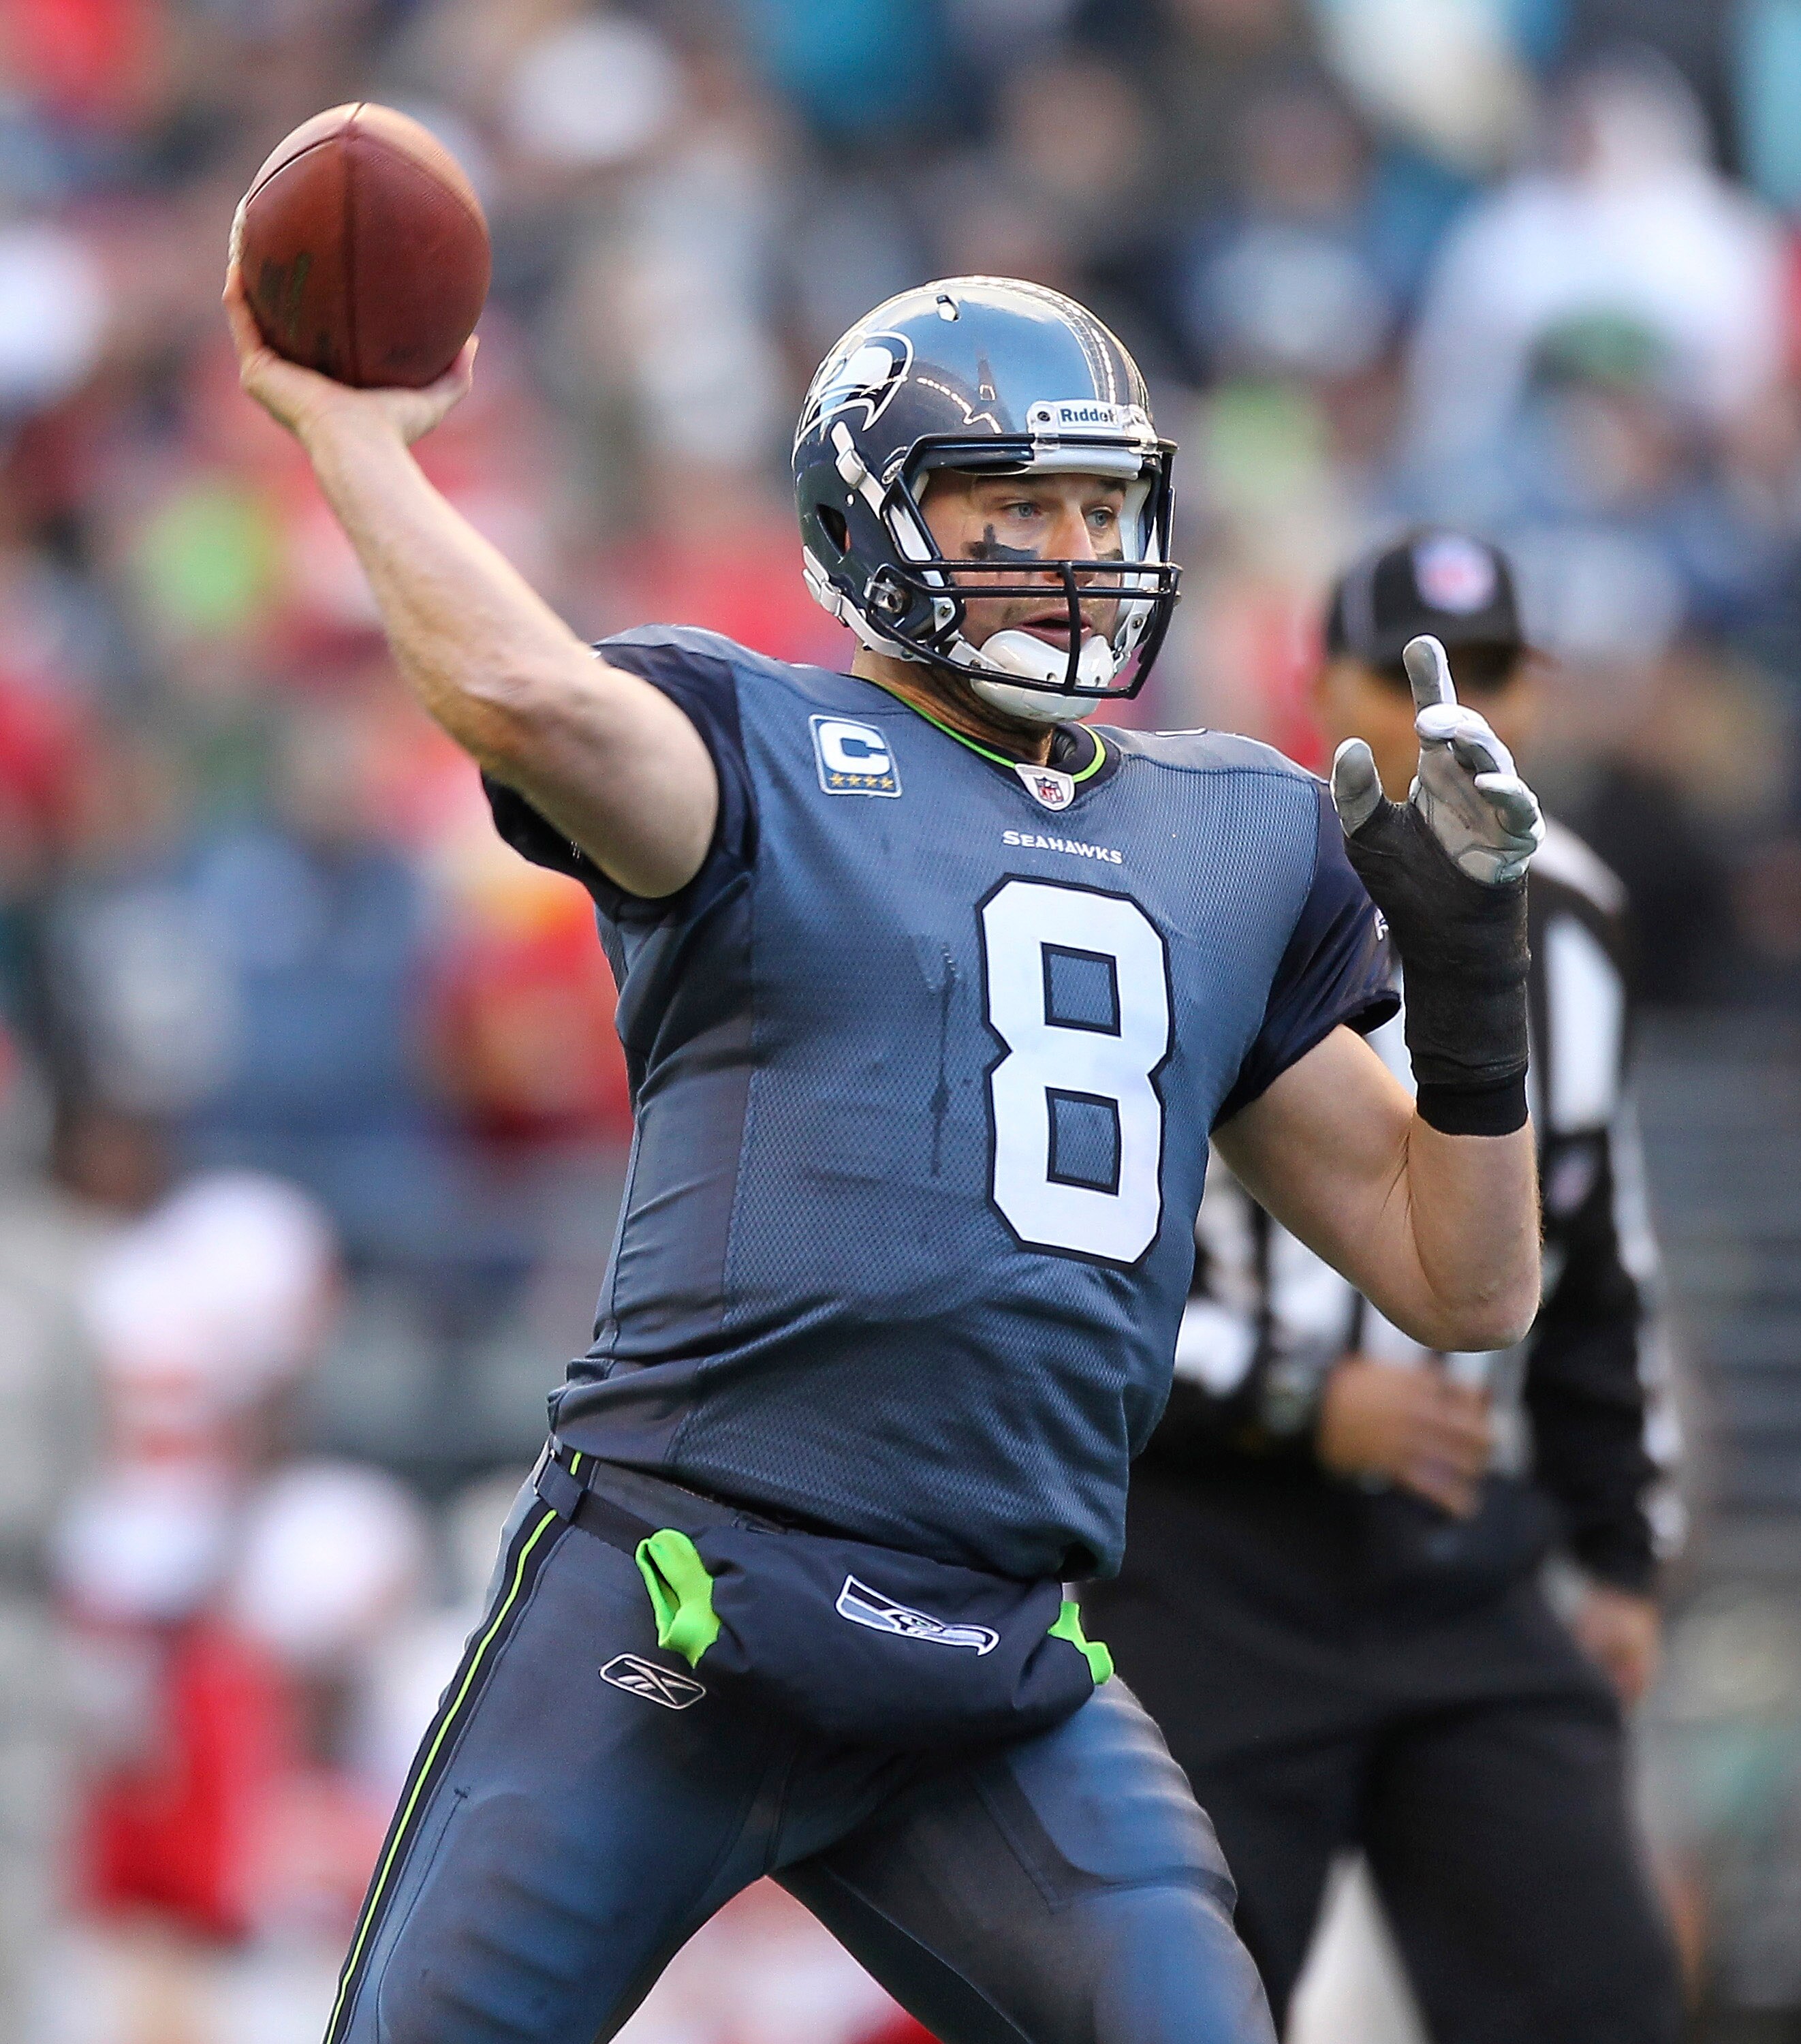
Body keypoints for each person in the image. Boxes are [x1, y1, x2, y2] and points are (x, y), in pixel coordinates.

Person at [225, 264, 1544, 2044]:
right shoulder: (760, 748)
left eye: (1101, 507)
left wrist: (1471, 987)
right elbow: (526, 702)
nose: (1074, 554)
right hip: (673, 1602)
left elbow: (1460, 1279)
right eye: (1015, 505)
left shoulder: (1237, 835)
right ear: (865, 519)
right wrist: (356, 440)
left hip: (993, 1664)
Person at [1089, 529, 1685, 2043]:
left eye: (1488, 673)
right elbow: (1073, 1247)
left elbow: (1593, 1252)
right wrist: (1298, 1398)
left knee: (1597, 1996)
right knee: (1177, 2005)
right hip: (1209, 1554)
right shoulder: (1214, 878)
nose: (1452, 709)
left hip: (1458, 1549)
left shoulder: (1576, 915)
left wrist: (1617, 1548)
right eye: (1410, 673)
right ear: (1326, 689)